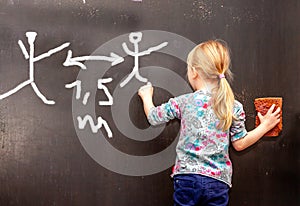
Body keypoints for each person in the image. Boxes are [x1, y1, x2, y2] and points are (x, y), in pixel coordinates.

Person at [138, 40, 281, 206]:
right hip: (218, 181)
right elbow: (240, 144)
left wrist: (146, 96)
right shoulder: (232, 106)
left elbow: (154, 117)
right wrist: (264, 127)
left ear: (194, 72)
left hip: (187, 178)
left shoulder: (184, 102)